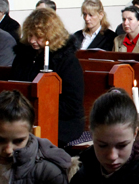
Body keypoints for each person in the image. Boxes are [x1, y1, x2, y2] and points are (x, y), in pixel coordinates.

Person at [9, 9, 84, 147]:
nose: (32, 41)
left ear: (52, 35)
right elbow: (14, 86)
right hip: (23, 118)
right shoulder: (23, 56)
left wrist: (37, 109)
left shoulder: (67, 61)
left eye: (38, 36)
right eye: (30, 35)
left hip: (61, 121)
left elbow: (72, 104)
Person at [0, 90, 71, 184]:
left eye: (18, 141)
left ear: (30, 132)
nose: (8, 150)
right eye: (0, 140)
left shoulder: (49, 173)